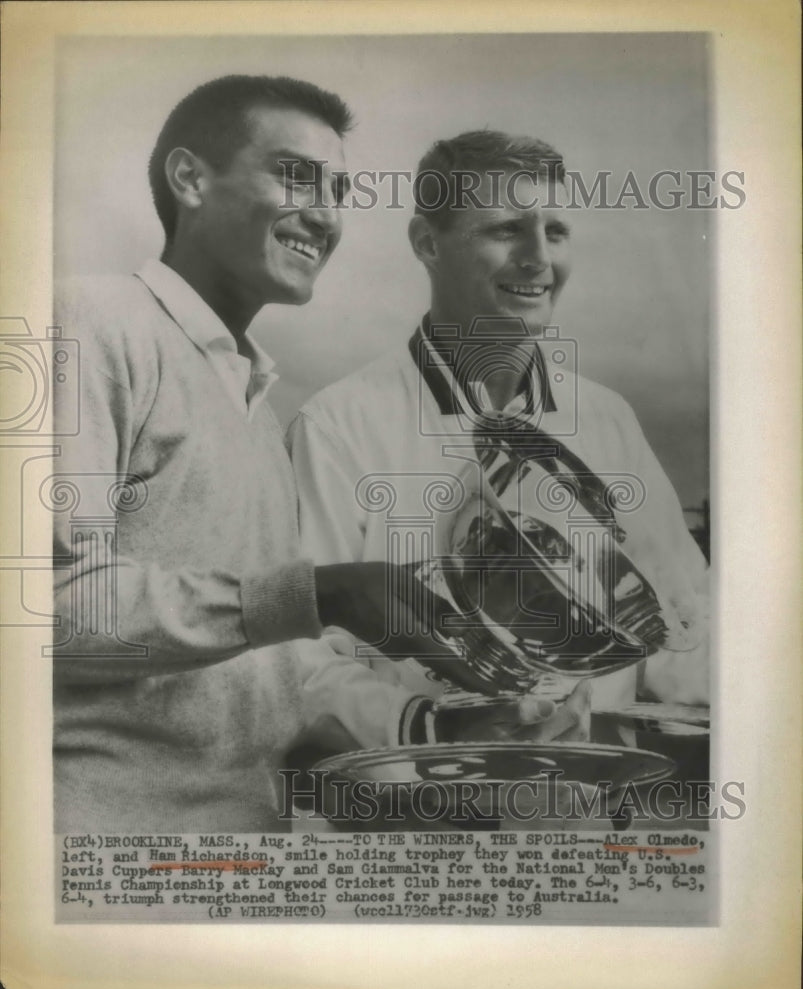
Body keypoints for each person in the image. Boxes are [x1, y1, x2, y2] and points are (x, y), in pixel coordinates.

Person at [51, 75, 474, 833]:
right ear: (190, 179)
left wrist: (424, 740)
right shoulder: (87, 319)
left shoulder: (255, 402)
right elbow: (43, 610)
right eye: (294, 175)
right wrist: (321, 594)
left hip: (242, 865)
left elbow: (252, 669)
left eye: (337, 190)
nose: (324, 215)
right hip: (102, 867)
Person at [289, 130, 709, 755]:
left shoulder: (606, 416)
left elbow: (684, 620)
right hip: (416, 813)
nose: (539, 258)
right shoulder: (335, 426)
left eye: (556, 232)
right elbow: (299, 660)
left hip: (582, 812)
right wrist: (429, 724)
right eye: (507, 230)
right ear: (427, 242)